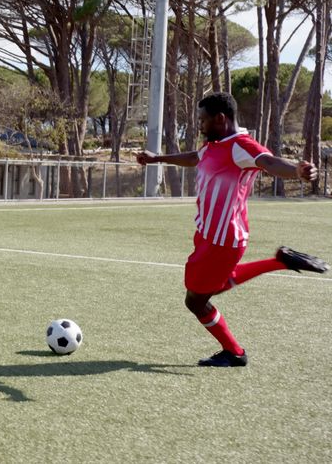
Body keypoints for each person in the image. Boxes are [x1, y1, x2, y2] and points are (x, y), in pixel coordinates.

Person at [136, 92, 327, 368]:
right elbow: (195, 157)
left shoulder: (241, 145)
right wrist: (158, 158)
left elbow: (269, 162)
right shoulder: (214, 144)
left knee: (196, 300)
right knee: (204, 290)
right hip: (208, 235)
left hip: (222, 240)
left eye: (202, 120)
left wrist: (297, 171)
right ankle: (279, 261)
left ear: (220, 119)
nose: (199, 125)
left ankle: (235, 351)